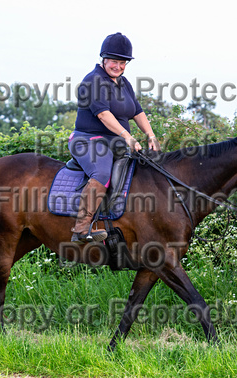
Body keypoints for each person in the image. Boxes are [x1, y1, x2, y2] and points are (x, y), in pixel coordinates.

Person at [68, 32, 161, 244]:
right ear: (103, 59)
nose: (118, 66)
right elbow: (103, 114)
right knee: (101, 171)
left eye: (122, 62)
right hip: (88, 141)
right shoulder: (92, 81)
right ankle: (81, 229)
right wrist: (127, 136)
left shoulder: (123, 83)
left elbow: (137, 111)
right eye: (113, 61)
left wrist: (151, 135)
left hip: (115, 142)